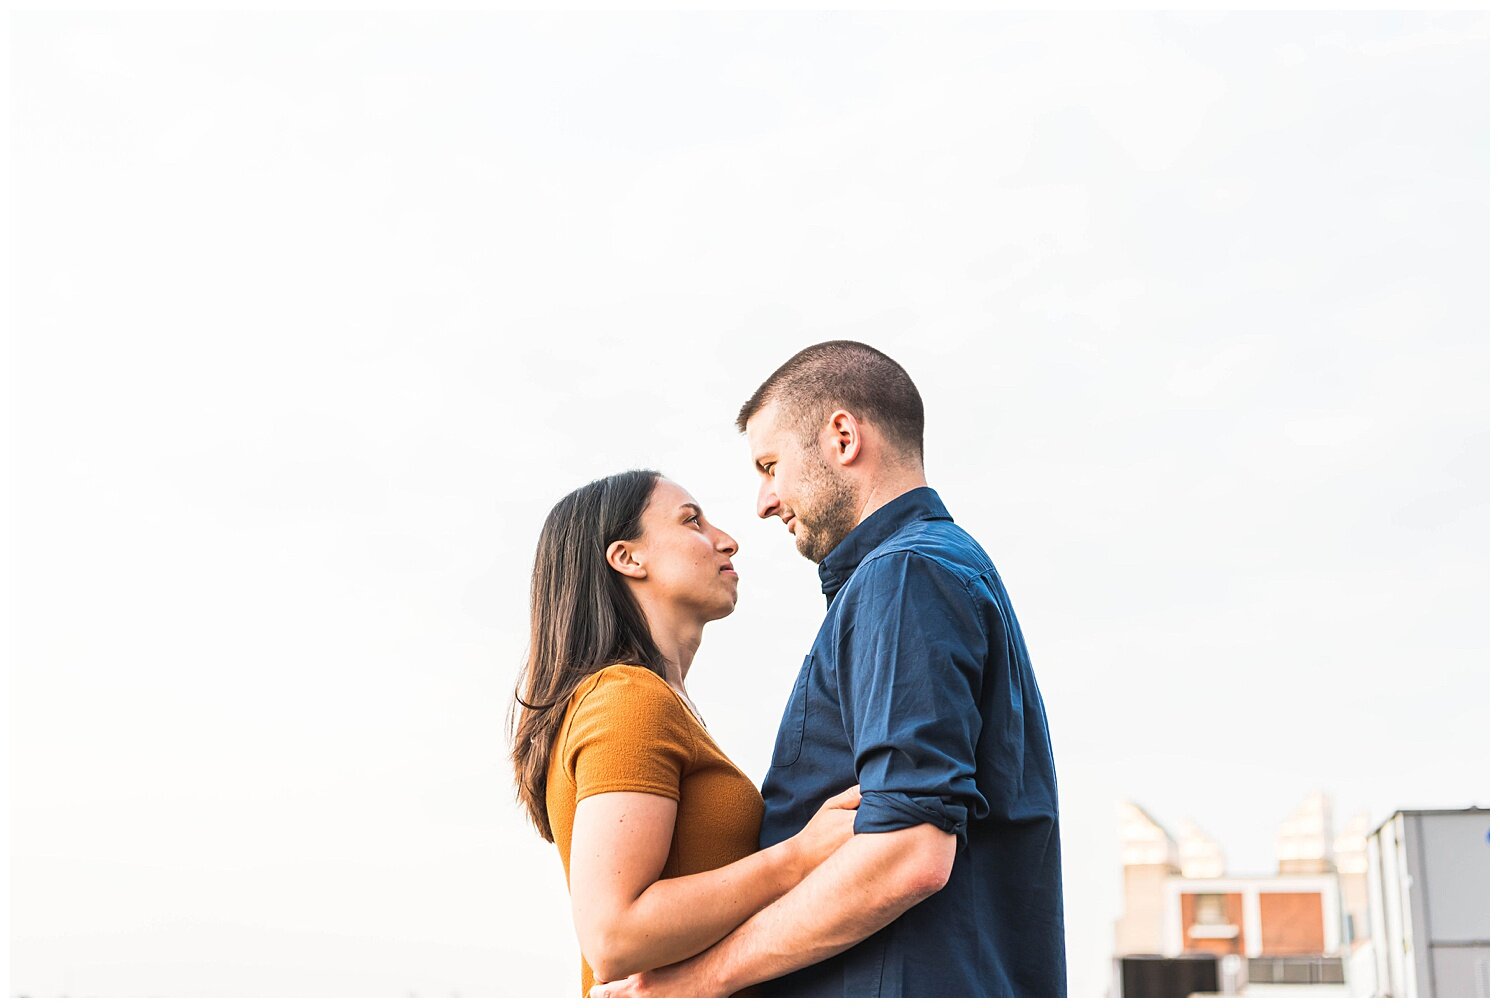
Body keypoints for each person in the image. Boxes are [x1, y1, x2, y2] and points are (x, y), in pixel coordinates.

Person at [590, 342, 1066, 998]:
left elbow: (909, 855)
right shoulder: (931, 569)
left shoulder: (904, 575)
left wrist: (694, 983)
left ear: (842, 437)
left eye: (770, 465)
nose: (762, 502)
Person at [509, 469, 861, 996]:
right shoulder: (627, 698)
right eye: (692, 521)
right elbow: (613, 935)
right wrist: (799, 856)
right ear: (628, 557)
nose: (727, 540)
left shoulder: (653, 701)